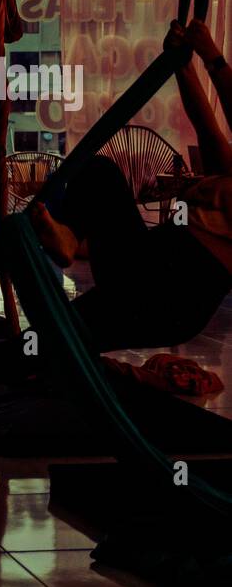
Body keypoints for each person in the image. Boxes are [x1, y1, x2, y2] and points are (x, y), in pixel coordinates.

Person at [26, 20, 232, 354]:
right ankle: (69, 237)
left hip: (174, 293)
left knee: (49, 342)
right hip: (148, 264)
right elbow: (207, 129)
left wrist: (213, 57)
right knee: (97, 171)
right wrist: (182, 64)